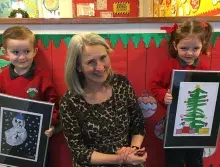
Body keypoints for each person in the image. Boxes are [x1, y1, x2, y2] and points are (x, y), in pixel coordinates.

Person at [60, 32, 147, 167]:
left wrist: (133, 150)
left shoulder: (121, 84)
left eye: (103, 58)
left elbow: (138, 124)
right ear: (78, 67)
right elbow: (79, 152)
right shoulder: (69, 102)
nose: (100, 67)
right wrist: (120, 159)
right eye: (90, 62)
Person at [0, 25, 72, 167]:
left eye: (27, 51)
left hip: (37, 141)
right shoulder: (2, 78)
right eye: (15, 52)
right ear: (5, 52)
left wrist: (50, 125)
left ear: (35, 51)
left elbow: (53, 106)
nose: (22, 57)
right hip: (8, 142)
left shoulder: (42, 77)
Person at [149, 20, 213, 167]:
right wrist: (164, 94)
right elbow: (154, 85)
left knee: (195, 157)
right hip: (173, 121)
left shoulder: (203, 67)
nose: (190, 53)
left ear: (202, 46)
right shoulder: (168, 66)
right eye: (184, 48)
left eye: (195, 48)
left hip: (197, 123)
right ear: (174, 46)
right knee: (173, 158)